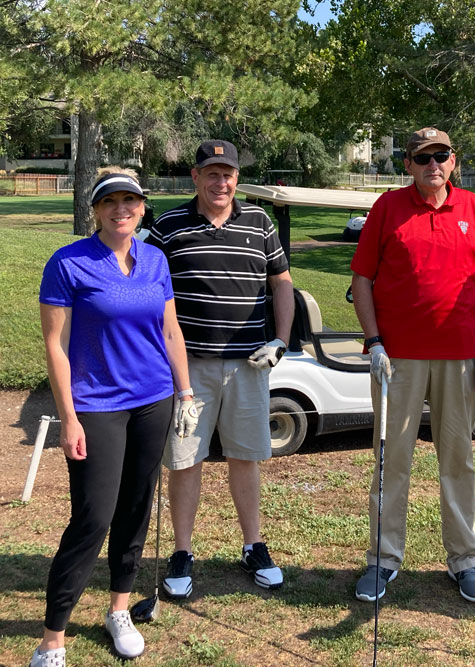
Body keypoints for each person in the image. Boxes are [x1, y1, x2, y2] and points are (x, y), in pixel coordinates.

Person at [32, 168, 198, 667]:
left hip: (153, 400)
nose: (121, 209)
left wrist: (185, 393)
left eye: (130, 200)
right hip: (97, 406)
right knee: (92, 518)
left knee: (136, 509)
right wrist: (70, 417)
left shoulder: (155, 259)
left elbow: (170, 331)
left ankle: (119, 608)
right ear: (96, 210)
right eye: (110, 202)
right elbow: (55, 346)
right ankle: (52, 637)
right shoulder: (68, 263)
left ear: (142, 208)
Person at [349, 127, 475, 603]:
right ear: (409, 165)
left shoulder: (473, 209)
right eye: (422, 158)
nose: (433, 165)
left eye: (441, 156)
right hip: (397, 360)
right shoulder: (387, 209)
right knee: (391, 460)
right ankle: (383, 558)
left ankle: (464, 560)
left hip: (459, 357)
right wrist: (373, 341)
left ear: (453, 161)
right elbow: (363, 277)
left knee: (457, 460)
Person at [145, 139, 294, 597]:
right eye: (211, 173)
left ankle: (253, 545)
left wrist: (281, 341)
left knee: (245, 458)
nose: (221, 181)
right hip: (189, 369)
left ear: (236, 178)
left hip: (250, 364)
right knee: (186, 460)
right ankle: (182, 552)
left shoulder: (260, 222)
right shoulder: (169, 226)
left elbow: (282, 284)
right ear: (195, 177)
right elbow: (143, 283)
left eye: (228, 173)